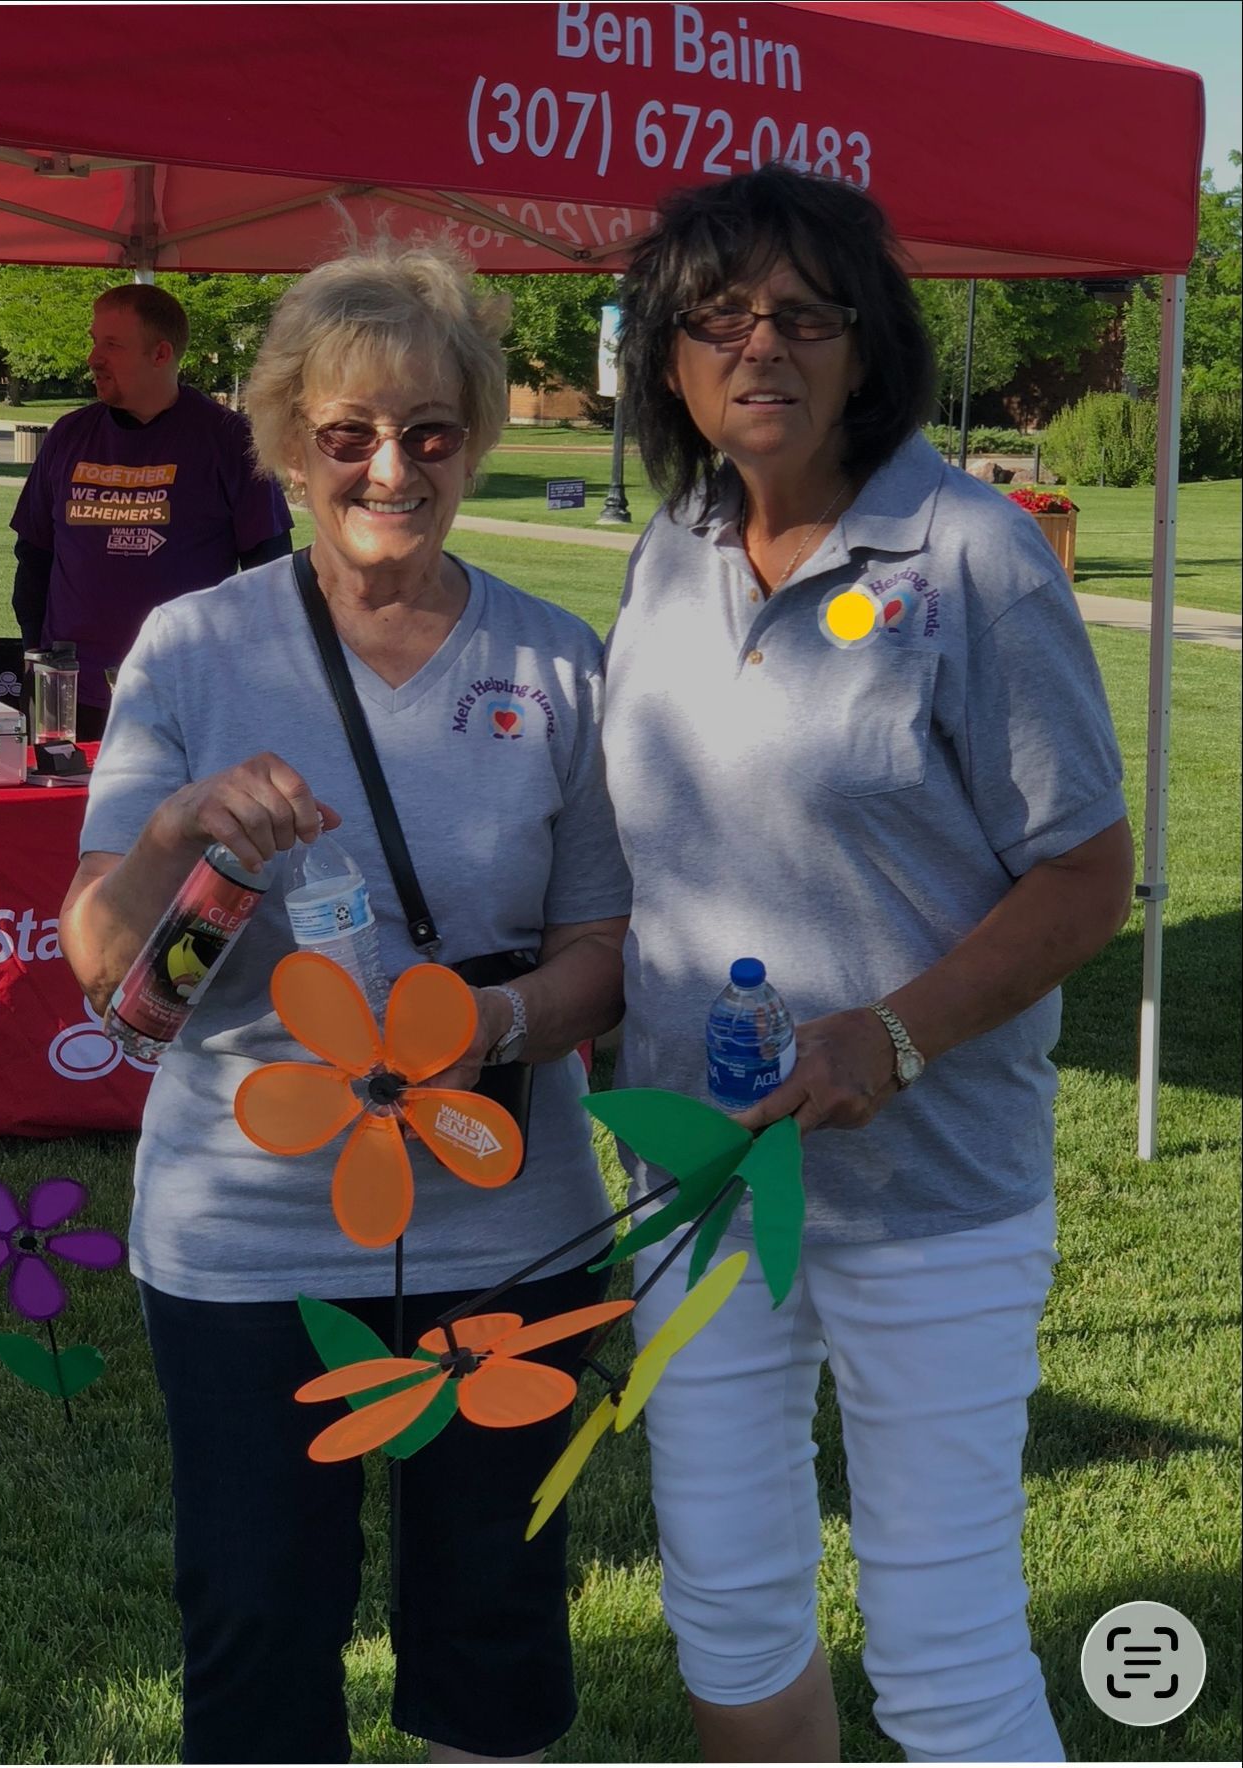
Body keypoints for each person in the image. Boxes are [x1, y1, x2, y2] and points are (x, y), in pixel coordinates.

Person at [58, 242, 631, 1765]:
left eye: (430, 432)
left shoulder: (556, 663)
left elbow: (604, 949)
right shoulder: (194, 648)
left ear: (476, 439)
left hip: (512, 1223)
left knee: (497, 1616)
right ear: (289, 444)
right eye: (349, 435)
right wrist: (180, 826)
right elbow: (93, 950)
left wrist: (491, 1028)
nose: (392, 466)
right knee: (257, 1618)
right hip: (248, 1232)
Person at [602, 165, 1134, 1764]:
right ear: (669, 355)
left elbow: (1088, 872)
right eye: (715, 315)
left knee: (943, 1645)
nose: (757, 345)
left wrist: (890, 1038)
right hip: (700, 1186)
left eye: (800, 312)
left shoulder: (968, 553)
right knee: (731, 1606)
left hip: (930, 1195)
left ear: (861, 343)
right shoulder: (667, 549)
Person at [11, 283, 294, 738]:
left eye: (112, 345)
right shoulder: (68, 436)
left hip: (190, 692)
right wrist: (34, 654)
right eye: (94, 341)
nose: (93, 358)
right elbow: (33, 558)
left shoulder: (230, 441)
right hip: (70, 693)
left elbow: (270, 573)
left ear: (161, 354)